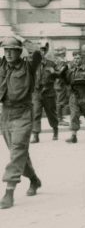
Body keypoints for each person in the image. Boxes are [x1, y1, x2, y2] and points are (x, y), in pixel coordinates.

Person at [0, 36, 43, 209]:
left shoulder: (28, 66)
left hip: (23, 112)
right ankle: (34, 180)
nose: (8, 54)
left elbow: (38, 54)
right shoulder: (2, 65)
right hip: (5, 113)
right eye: (6, 50)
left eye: (12, 50)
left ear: (19, 52)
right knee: (17, 153)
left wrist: (25, 42)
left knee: (17, 151)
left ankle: (9, 192)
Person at [64, 47, 85, 143]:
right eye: (74, 58)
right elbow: (66, 81)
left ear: (82, 59)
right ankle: (73, 135)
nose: (76, 60)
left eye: (78, 58)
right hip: (74, 95)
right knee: (74, 114)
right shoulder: (71, 70)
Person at [31, 40, 60, 143]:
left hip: (48, 92)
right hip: (37, 92)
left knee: (51, 113)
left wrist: (55, 72)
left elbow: (60, 74)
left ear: (46, 51)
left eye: (44, 50)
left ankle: (55, 130)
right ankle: (35, 135)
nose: (42, 52)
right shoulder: (33, 64)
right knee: (36, 113)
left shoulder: (51, 63)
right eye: (40, 50)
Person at [54, 47, 70, 126]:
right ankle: (59, 119)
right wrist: (65, 68)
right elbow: (59, 73)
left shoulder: (58, 60)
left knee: (60, 101)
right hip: (60, 83)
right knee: (59, 101)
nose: (65, 53)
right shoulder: (61, 61)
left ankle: (60, 117)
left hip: (59, 83)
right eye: (64, 51)